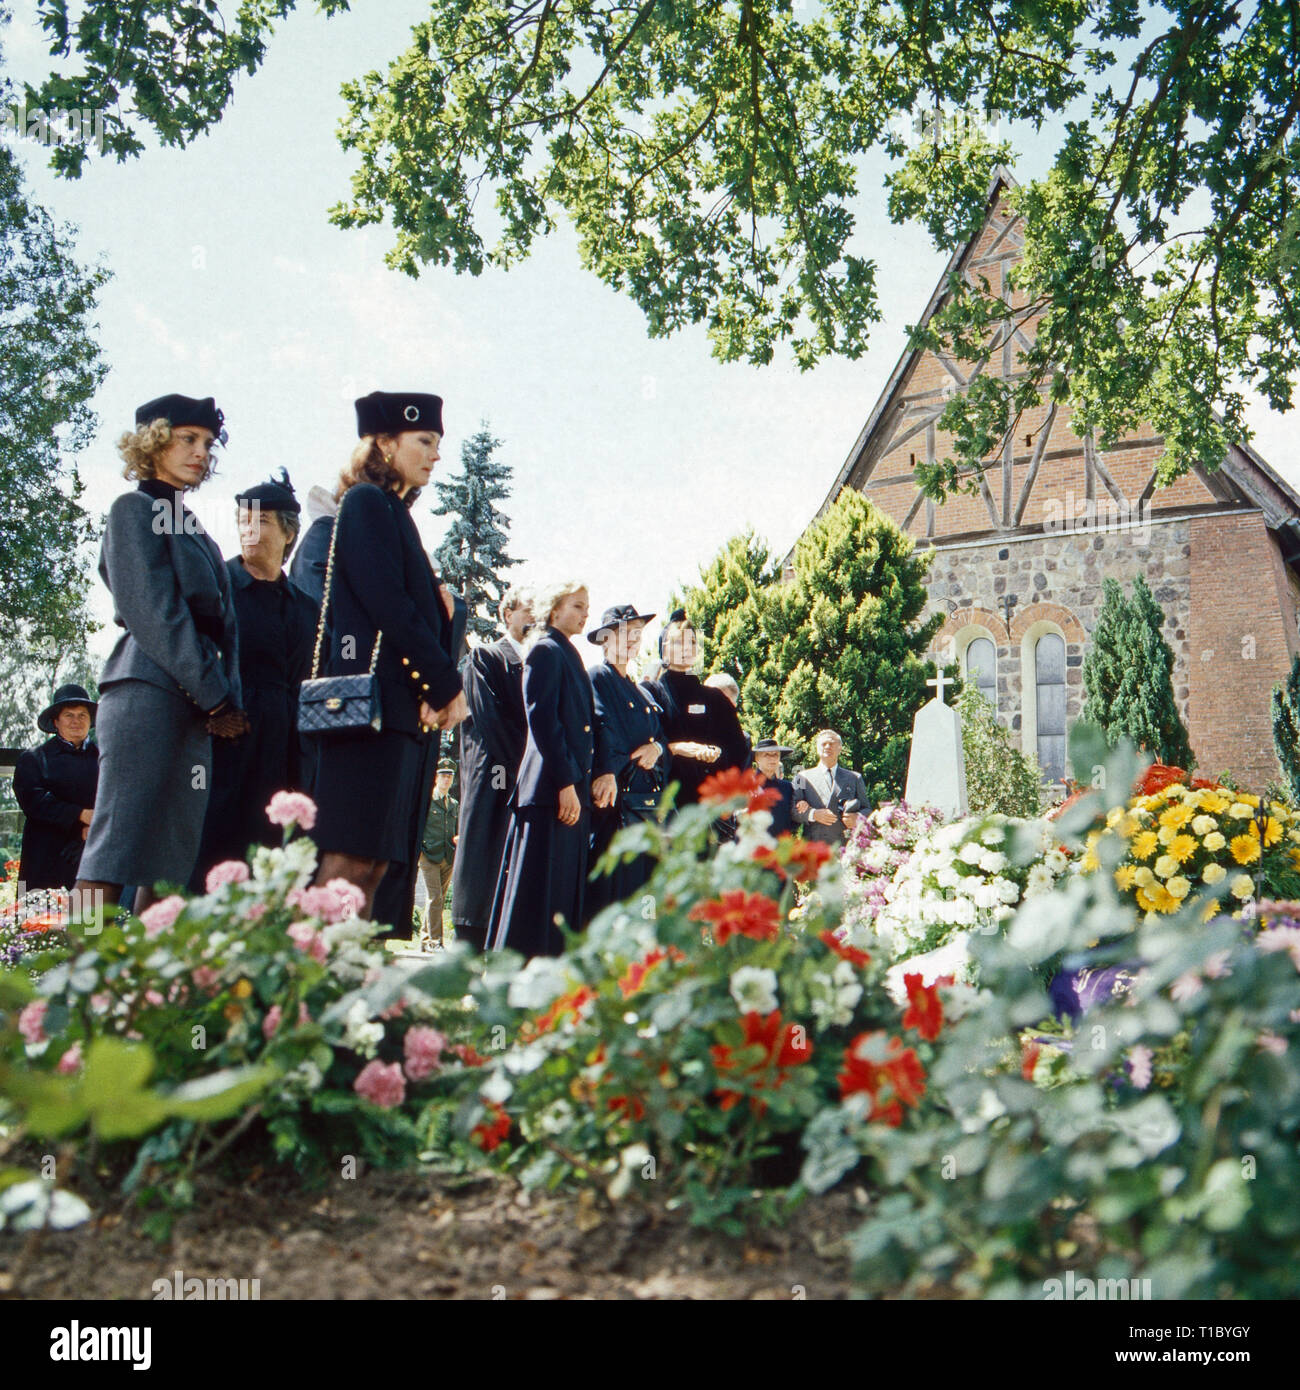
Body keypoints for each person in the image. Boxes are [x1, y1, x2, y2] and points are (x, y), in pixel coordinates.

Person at [74, 394, 247, 921]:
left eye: (208, 444)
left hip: (193, 706)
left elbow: (223, 627)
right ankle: (74, 967)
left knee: (172, 857)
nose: (202, 453)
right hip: (146, 694)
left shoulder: (190, 523)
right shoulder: (134, 510)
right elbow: (154, 612)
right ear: (152, 443)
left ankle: (151, 986)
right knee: (113, 843)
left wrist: (224, 699)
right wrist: (218, 697)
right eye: (188, 440)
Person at [307, 390, 466, 919]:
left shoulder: (394, 513)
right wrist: (445, 687)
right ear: (384, 442)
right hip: (364, 715)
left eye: (438, 442)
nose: (436, 454)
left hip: (396, 714)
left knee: (372, 867)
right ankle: (295, 995)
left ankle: (340, 991)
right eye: (425, 440)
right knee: (347, 863)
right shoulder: (366, 503)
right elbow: (389, 605)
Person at [189, 471, 317, 890]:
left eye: (260, 521)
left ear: (288, 533)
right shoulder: (217, 586)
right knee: (214, 843)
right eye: (243, 520)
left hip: (286, 744)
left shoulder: (306, 605)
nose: (248, 529)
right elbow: (192, 654)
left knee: (272, 847)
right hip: (225, 733)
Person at [488, 582, 610, 957]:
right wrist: (566, 782)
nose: (585, 613)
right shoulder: (544, 648)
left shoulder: (566, 651)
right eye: (577, 605)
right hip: (548, 793)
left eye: (587, 606)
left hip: (569, 790)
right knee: (535, 895)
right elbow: (542, 721)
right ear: (554, 609)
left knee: (558, 898)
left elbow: (586, 723)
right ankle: (515, 981)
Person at [449, 589, 532, 951]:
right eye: (528, 610)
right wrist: (528, 762)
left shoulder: (541, 662)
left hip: (525, 779)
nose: (535, 618)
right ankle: (469, 946)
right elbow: (489, 718)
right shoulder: (487, 656)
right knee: (485, 854)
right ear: (508, 613)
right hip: (494, 771)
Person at [585, 603, 664, 922]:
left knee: (646, 898)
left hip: (645, 810)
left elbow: (660, 737)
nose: (634, 640)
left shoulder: (640, 690)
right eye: (625, 633)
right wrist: (610, 769)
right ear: (605, 639)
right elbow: (603, 730)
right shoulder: (596, 679)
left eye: (638, 634)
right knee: (611, 899)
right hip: (613, 809)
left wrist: (657, 748)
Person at [642, 610, 749, 813]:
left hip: (711, 810)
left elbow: (738, 750)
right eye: (678, 642)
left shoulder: (716, 699)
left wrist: (717, 755)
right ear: (663, 649)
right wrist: (677, 748)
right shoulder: (650, 693)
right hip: (666, 808)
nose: (687, 648)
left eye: (691, 642)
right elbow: (643, 747)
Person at [14, 685, 100, 891]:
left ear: (90, 721)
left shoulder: (105, 759)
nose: (76, 721)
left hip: (90, 855)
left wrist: (98, 826)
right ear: (55, 721)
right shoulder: (34, 758)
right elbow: (34, 801)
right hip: (44, 858)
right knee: (38, 919)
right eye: (69, 715)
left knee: (90, 920)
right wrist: (81, 814)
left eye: (82, 715)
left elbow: (119, 800)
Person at [792, 729, 871, 848]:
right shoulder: (801, 777)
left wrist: (858, 818)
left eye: (832, 743)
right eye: (824, 744)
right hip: (812, 848)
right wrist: (813, 814)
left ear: (840, 748)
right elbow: (792, 810)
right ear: (817, 748)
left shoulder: (855, 777)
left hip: (844, 848)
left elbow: (867, 809)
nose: (828, 746)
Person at [418, 758, 459, 947]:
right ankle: (435, 941)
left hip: (447, 856)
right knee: (435, 897)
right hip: (428, 855)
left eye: (449, 776)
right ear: (436, 778)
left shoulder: (453, 804)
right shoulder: (427, 800)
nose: (446, 780)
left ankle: (425, 938)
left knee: (437, 900)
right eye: (443, 776)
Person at [751, 738, 797, 838]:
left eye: (775, 754)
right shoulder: (748, 786)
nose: (772, 758)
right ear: (757, 758)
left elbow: (794, 819)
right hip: (753, 848)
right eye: (766, 754)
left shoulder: (788, 787)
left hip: (780, 849)